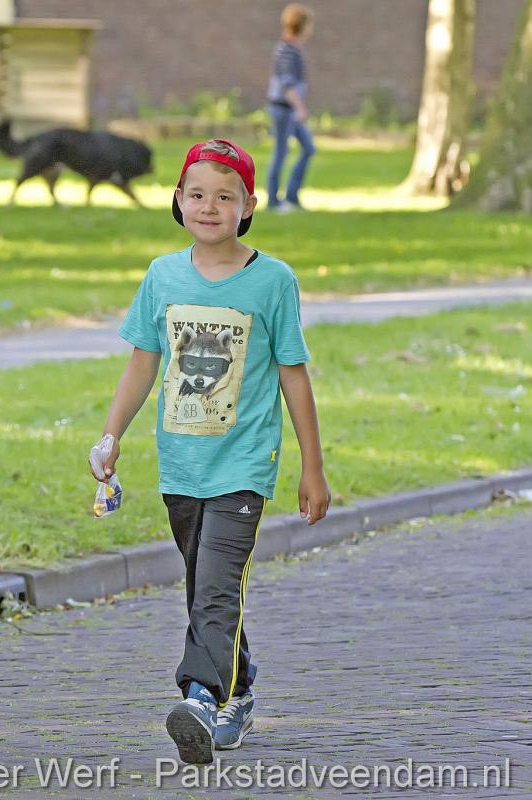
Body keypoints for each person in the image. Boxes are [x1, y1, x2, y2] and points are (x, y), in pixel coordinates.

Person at [91, 139, 330, 764]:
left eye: (225, 196)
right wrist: (111, 436)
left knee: (218, 585)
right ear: (178, 200)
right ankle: (239, 689)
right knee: (205, 586)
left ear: (248, 206)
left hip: (244, 464)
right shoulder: (162, 275)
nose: (209, 206)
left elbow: (293, 373)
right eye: (197, 194)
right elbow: (143, 363)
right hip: (182, 463)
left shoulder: (273, 281)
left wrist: (312, 466)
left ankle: (199, 696)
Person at [266, 3, 316, 212]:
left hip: (290, 109)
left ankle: (292, 197)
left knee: (308, 148)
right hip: (284, 109)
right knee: (281, 151)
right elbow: (287, 84)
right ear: (302, 25)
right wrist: (301, 108)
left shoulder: (294, 49)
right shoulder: (286, 49)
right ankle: (273, 202)